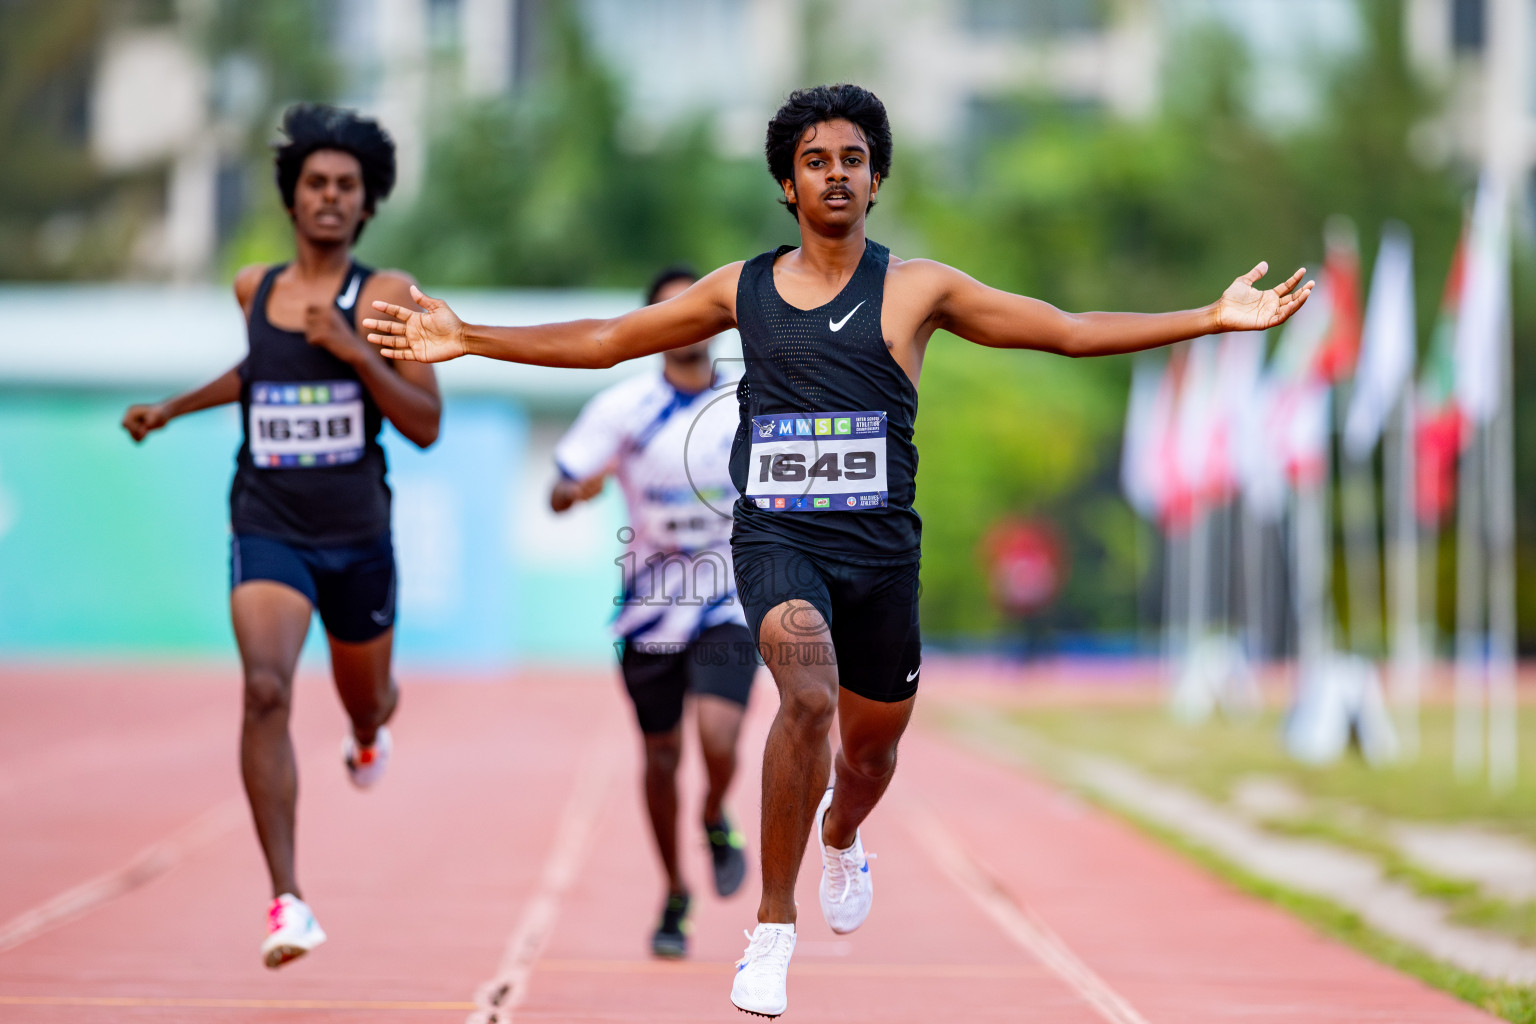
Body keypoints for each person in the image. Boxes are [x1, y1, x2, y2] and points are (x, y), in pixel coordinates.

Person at [362, 83, 1312, 1017]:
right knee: (806, 695)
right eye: (816, 162)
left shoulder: (917, 291)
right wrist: (471, 337)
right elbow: (613, 337)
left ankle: (844, 834)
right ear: (788, 184)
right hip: (777, 540)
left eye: (853, 161)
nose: (836, 176)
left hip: (882, 557)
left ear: (876, 177)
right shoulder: (742, 289)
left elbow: (1063, 331)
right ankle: (772, 932)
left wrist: (1209, 318)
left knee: (868, 757)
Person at [122, 104, 441, 969]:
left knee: (365, 698)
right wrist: (173, 408)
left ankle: (370, 728)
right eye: (315, 184)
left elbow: (423, 424)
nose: (330, 198)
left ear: (367, 202)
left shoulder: (385, 296)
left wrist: (355, 351)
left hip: (357, 536)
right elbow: (259, 372)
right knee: (265, 690)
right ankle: (289, 902)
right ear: (292, 198)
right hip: (268, 524)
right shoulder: (252, 287)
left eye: (347, 186)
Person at [549, 265, 756, 959]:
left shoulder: (748, 398)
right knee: (661, 755)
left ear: (717, 322)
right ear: (652, 330)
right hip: (648, 609)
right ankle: (674, 887)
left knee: (720, 738)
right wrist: (574, 491)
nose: (685, 325)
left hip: (728, 595)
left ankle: (713, 812)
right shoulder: (622, 408)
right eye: (668, 314)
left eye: (696, 312)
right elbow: (562, 481)